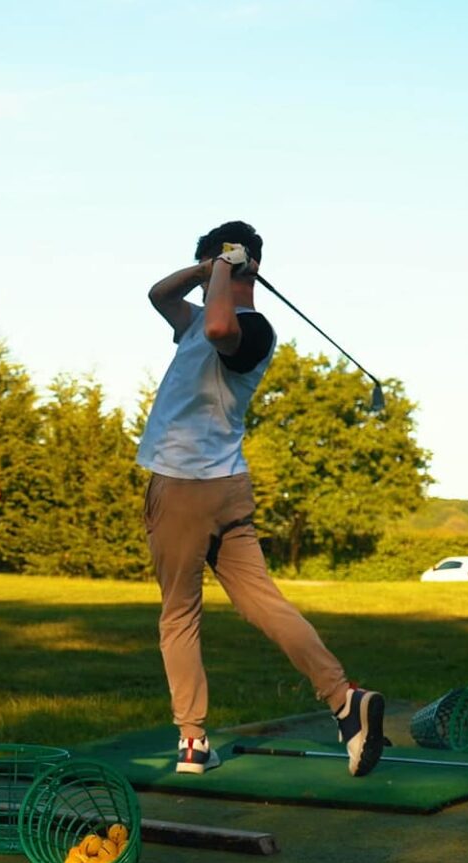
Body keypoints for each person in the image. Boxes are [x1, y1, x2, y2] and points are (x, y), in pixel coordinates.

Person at [138, 221, 385, 776]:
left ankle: (192, 741)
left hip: (184, 485)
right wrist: (213, 267)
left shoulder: (250, 329)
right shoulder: (198, 320)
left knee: (178, 615)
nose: (204, 286)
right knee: (262, 603)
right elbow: (159, 295)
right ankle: (345, 700)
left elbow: (223, 322)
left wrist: (223, 271)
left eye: (211, 272)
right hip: (226, 487)